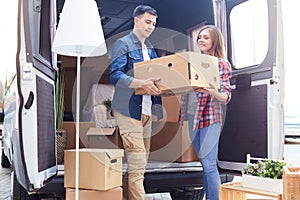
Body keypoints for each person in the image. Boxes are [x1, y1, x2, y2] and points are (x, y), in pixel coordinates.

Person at [109, 5, 163, 200]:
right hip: (127, 110)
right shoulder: (122, 44)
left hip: (146, 111)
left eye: (154, 24)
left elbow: (159, 76)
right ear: (136, 20)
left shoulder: (149, 48)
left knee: (138, 164)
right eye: (148, 22)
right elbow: (115, 75)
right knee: (138, 164)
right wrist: (141, 84)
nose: (151, 27)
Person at [179, 25, 232, 200]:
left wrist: (211, 91)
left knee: (209, 163)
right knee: (203, 162)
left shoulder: (221, 64)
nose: (201, 40)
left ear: (215, 40)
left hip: (211, 117)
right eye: (199, 37)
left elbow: (225, 97)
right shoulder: (194, 63)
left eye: (206, 37)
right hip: (193, 117)